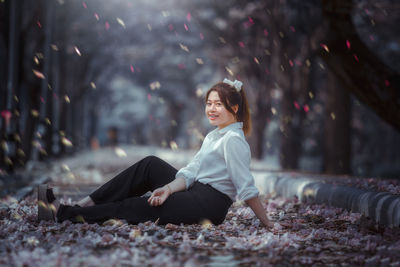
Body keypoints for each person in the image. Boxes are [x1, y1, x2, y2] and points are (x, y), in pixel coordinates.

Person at [37, 78, 273, 228]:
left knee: (137, 207)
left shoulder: (233, 140)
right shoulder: (214, 136)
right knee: (149, 165)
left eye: (218, 104)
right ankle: (87, 202)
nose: (211, 109)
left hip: (208, 206)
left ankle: (65, 214)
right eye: (209, 103)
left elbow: (246, 187)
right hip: (195, 191)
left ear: (234, 108)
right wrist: (168, 189)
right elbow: (191, 172)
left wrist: (268, 223)